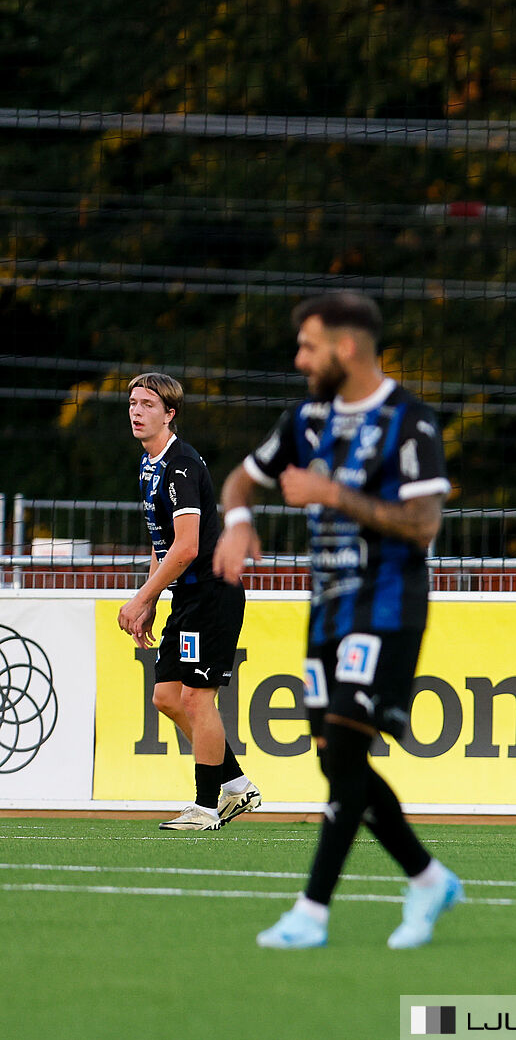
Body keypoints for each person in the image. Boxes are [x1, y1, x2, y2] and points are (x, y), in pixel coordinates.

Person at [215, 292, 463, 949]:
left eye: (308, 346)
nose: (299, 359)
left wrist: (332, 495)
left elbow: (423, 525)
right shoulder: (306, 418)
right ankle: (428, 877)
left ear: (345, 348)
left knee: (347, 750)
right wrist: (238, 523)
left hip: (387, 608)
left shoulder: (410, 422)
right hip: (327, 612)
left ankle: (312, 911)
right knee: (339, 764)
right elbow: (240, 481)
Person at [121, 372, 260, 831]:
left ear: (170, 413)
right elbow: (163, 548)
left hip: (212, 595)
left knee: (199, 700)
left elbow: (186, 547)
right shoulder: (148, 465)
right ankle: (237, 787)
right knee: (166, 696)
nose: (137, 411)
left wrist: (141, 597)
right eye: (133, 403)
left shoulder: (179, 464)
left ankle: (205, 807)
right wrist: (154, 601)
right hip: (188, 597)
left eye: (147, 404)